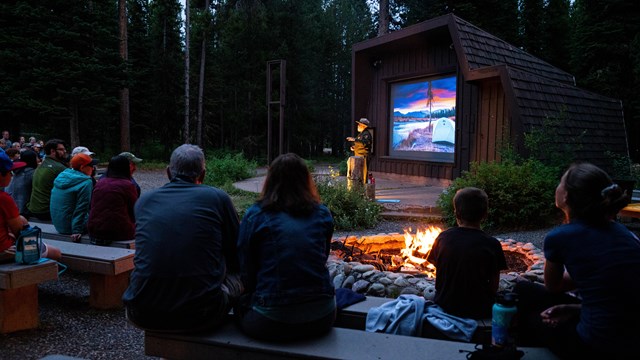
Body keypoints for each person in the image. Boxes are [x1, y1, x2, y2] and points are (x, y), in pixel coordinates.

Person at [514, 163, 640, 359]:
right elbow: (614, 292)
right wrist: (575, 309)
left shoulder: (560, 237)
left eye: (561, 182)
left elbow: (553, 286)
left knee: (526, 307)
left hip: (596, 344)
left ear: (565, 196)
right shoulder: (625, 234)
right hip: (631, 337)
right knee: (526, 290)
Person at [123, 144, 242, 332]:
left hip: (141, 311)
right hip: (203, 314)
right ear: (202, 175)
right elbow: (237, 248)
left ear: (168, 172)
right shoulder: (217, 198)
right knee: (240, 275)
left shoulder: (145, 201)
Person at [235, 153, 336, 341]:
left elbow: (246, 267)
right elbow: (321, 257)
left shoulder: (256, 215)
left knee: (236, 307)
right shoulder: (322, 213)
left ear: (270, 180)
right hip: (323, 316)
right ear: (306, 180)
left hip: (271, 319)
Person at [426, 187, 507, 319]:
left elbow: (439, 270)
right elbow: (494, 286)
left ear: (456, 213)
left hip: (444, 305)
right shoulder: (492, 244)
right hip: (479, 309)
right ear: (485, 214)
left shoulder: (442, 238)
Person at [0, 152, 61, 260]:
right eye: (10, 172)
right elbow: (18, 230)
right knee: (56, 253)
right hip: (4, 251)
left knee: (22, 219)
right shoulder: (4, 199)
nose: (12, 175)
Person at [87, 155, 138, 245]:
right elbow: (134, 210)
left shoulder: (100, 183)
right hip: (118, 232)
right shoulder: (127, 185)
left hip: (94, 230)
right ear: (126, 168)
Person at [50, 153, 96, 242]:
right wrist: (77, 230)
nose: (93, 168)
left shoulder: (62, 175)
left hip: (58, 225)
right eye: (91, 165)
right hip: (71, 228)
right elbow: (82, 207)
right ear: (82, 167)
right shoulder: (86, 182)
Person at [27, 139, 68, 220]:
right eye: (61, 149)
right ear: (52, 151)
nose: (65, 151)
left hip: (33, 208)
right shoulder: (59, 167)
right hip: (46, 211)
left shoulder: (42, 164)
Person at [5, 149, 38, 215]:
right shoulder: (32, 173)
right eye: (36, 157)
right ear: (32, 159)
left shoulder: (18, 170)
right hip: (23, 209)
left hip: (12, 205)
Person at [346, 117, 373, 183]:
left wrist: (354, 139)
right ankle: (359, 187)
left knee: (364, 172)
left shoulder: (366, 134)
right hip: (357, 156)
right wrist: (354, 147)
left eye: (359, 124)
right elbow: (359, 144)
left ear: (363, 126)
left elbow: (365, 143)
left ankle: (364, 188)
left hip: (363, 156)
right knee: (358, 172)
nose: (358, 126)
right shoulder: (360, 134)